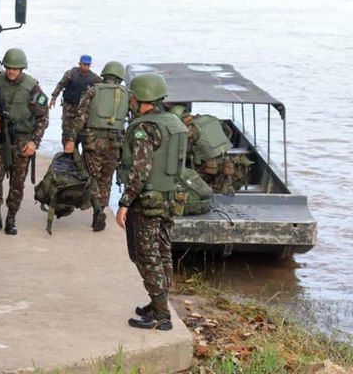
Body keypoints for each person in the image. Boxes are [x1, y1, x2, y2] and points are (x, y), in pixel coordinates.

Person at [115, 73, 187, 331]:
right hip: (168, 199)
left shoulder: (144, 128)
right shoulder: (173, 122)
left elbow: (140, 172)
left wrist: (124, 203)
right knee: (163, 252)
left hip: (145, 203)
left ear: (140, 98)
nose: (131, 100)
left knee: (146, 256)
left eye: (133, 97)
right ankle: (158, 303)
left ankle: (161, 317)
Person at [0, 47, 49, 235]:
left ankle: (11, 218)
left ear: (22, 69)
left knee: (17, 183)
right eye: (8, 67)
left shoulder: (32, 88)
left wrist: (34, 143)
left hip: (22, 141)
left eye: (15, 68)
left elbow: (43, 118)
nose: (11, 71)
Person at [65, 60, 129, 232]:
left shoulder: (93, 91)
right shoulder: (127, 94)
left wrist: (71, 140)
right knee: (106, 179)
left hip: (93, 141)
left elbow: (80, 118)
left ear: (105, 74)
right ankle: (100, 211)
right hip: (115, 142)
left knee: (91, 176)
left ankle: (98, 209)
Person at [169, 104, 236, 194]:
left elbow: (182, 150)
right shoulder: (208, 118)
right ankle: (226, 187)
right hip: (224, 157)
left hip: (207, 166)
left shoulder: (191, 131)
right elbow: (228, 131)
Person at [50, 55, 100, 144]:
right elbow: (60, 85)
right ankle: (67, 152)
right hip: (69, 107)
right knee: (66, 131)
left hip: (83, 110)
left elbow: (103, 86)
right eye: (84, 64)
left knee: (81, 132)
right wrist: (54, 98)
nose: (86, 67)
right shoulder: (71, 73)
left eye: (88, 65)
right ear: (79, 64)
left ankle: (77, 151)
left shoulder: (93, 78)